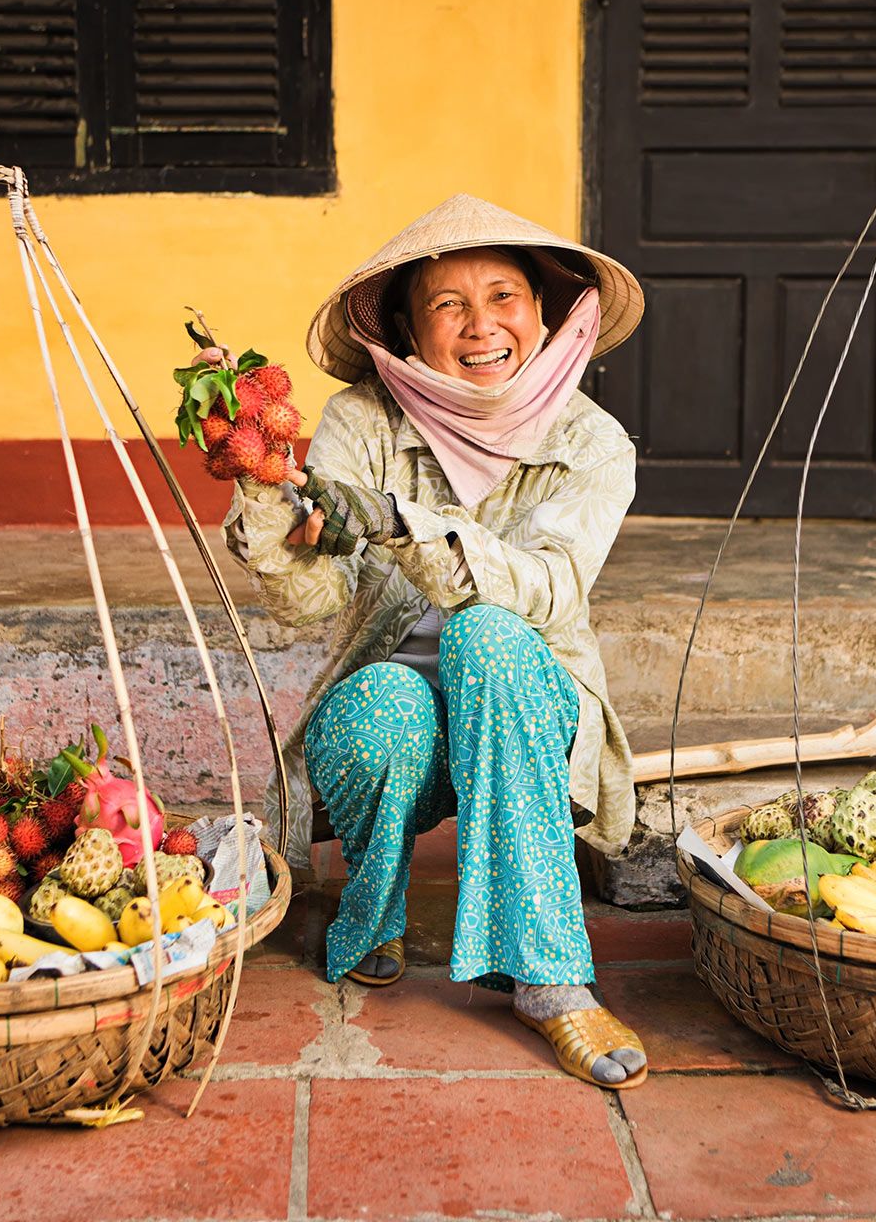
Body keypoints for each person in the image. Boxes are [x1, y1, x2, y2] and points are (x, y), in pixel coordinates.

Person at [218, 194, 648, 1089]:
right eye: (448, 305)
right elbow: (311, 602)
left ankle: (549, 979)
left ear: (544, 312)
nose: (481, 325)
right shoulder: (361, 422)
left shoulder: (593, 442)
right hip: (394, 731)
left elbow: (550, 589)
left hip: (527, 720)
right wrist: (271, 507)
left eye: (504, 297)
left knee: (488, 634)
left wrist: (404, 522)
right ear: (409, 332)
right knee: (391, 699)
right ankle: (368, 913)